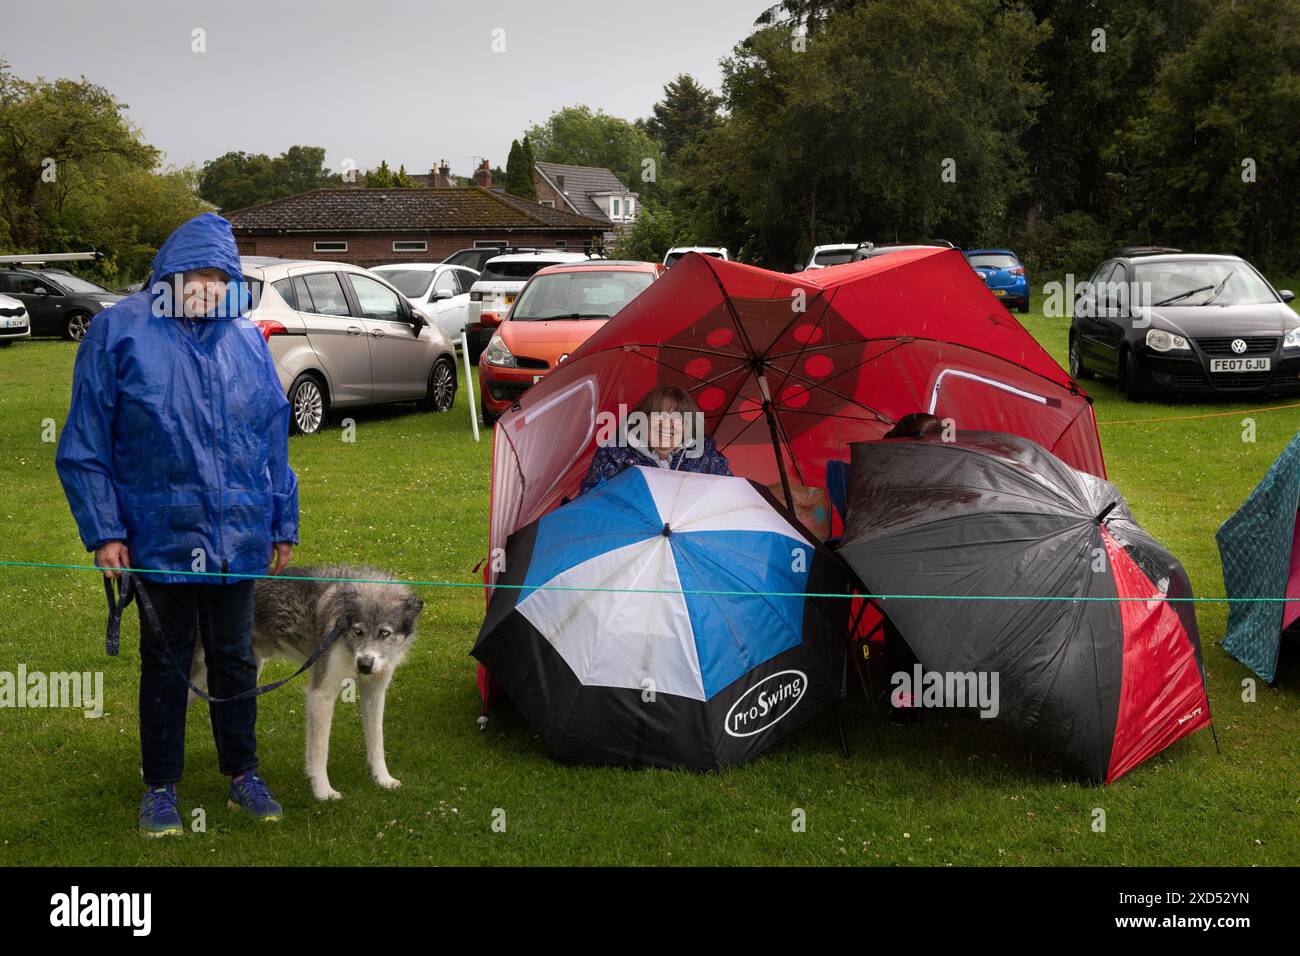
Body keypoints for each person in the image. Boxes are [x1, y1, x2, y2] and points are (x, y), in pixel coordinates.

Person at [55, 212, 298, 837]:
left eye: (221, 276)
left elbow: (272, 439)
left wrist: (281, 523)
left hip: (238, 536)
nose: (208, 287)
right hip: (160, 536)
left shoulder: (245, 339)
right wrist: (105, 530)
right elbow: (85, 441)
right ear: (170, 272)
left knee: (236, 659)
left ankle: (242, 773)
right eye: (198, 273)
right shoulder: (118, 332)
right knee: (165, 663)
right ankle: (160, 786)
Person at [880, 411, 945, 722]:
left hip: (939, 571)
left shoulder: (946, 474)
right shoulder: (885, 477)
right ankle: (906, 701)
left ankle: (936, 692)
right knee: (906, 615)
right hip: (900, 574)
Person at [579, 385, 731, 494]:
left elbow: (730, 502)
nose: (666, 424)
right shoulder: (614, 456)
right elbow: (592, 504)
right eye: (659, 415)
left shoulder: (708, 458)